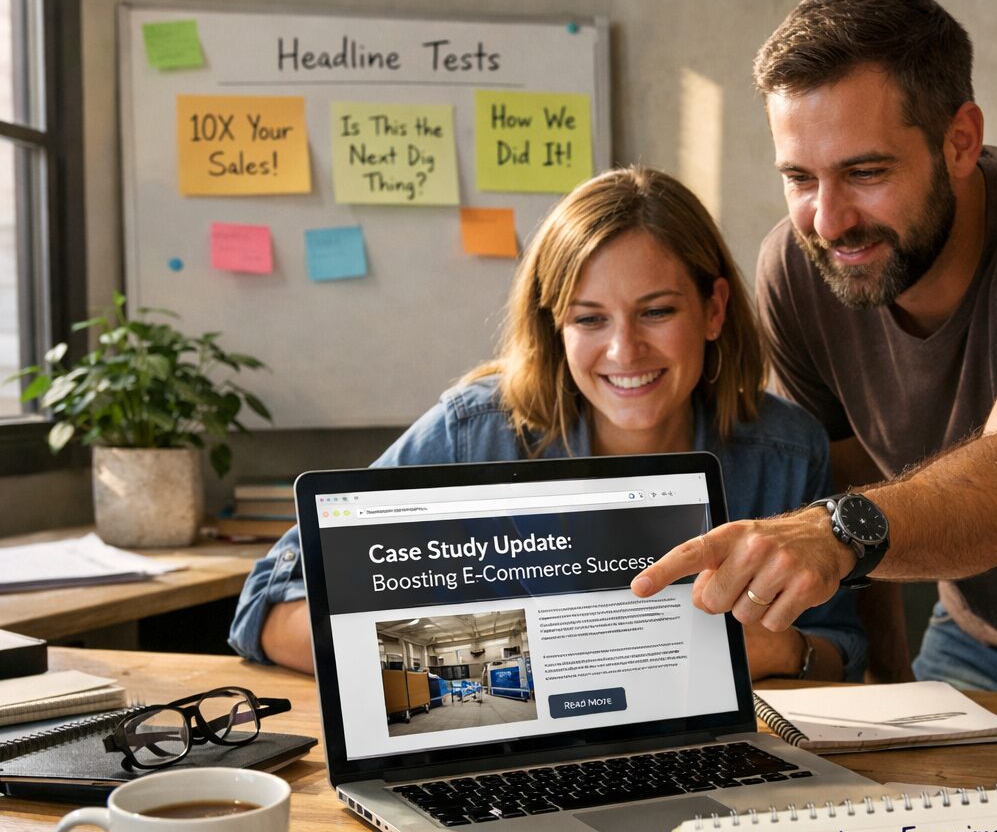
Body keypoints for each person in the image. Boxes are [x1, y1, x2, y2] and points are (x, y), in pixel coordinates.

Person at [632, 0, 997, 698]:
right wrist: (887, 682)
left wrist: (835, 531)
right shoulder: (799, 266)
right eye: (799, 178)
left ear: (960, 140)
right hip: (974, 641)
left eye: (866, 172)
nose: (829, 219)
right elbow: (854, 487)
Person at [229, 166, 866, 682]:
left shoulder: (784, 451)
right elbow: (267, 603)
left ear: (713, 309)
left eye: (657, 311)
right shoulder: (472, 433)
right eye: (589, 319)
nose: (624, 352)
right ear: (554, 328)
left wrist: (780, 652)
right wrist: (446, 668)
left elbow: (841, 645)